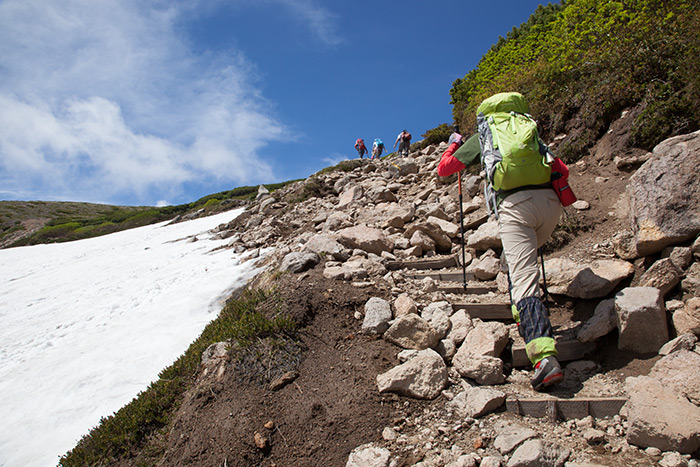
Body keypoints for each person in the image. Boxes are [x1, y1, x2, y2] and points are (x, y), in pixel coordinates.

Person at [437, 129, 564, 392]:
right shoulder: (527, 131)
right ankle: (522, 315)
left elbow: (445, 169)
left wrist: (453, 146)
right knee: (522, 263)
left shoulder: (485, 135)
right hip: (551, 203)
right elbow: (560, 167)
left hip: (517, 206)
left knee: (524, 281)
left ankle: (544, 359)